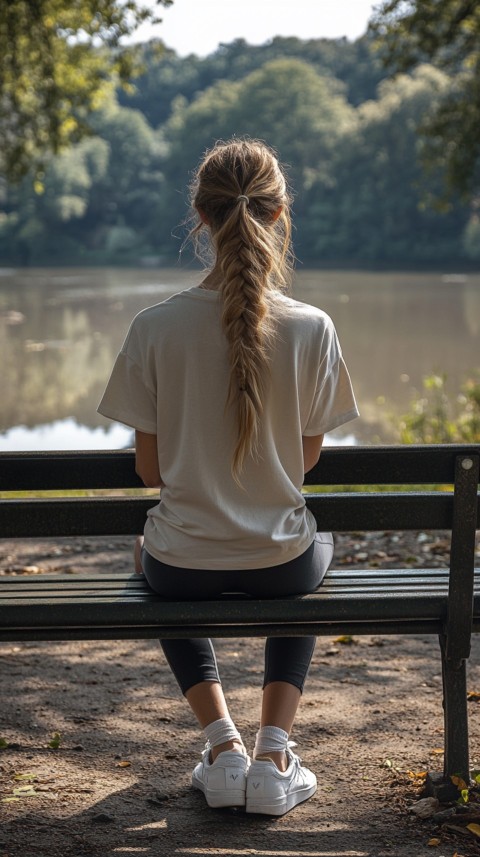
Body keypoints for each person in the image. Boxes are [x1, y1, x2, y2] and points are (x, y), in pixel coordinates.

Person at [97, 138, 358, 816]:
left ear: (201, 217)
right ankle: (274, 756)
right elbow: (303, 461)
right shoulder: (314, 328)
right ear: (279, 214)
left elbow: (150, 470)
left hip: (181, 567)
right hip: (282, 565)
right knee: (310, 545)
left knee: (151, 547)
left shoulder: (154, 327)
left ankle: (222, 746)